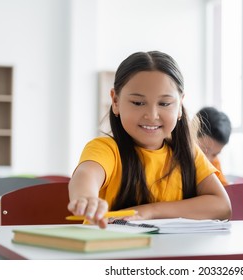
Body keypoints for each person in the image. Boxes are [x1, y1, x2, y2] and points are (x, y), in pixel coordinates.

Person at [67, 51, 231, 228]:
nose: (152, 116)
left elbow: (222, 206)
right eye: (138, 103)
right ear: (115, 101)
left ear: (180, 107)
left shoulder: (189, 154)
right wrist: (87, 198)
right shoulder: (105, 149)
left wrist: (149, 212)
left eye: (164, 103)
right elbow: (86, 174)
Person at [195, 107, 232, 185]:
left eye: (215, 154)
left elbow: (227, 190)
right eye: (203, 150)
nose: (208, 160)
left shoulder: (214, 162)